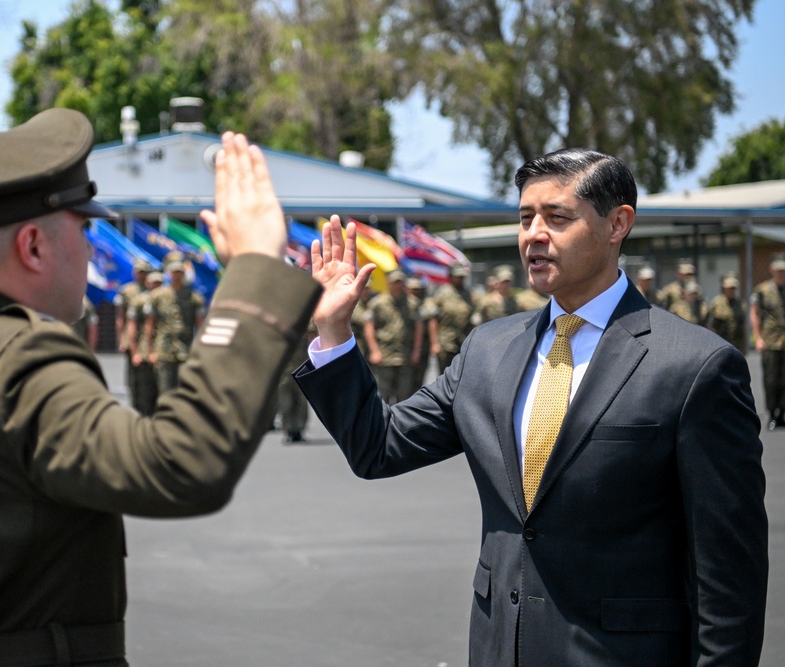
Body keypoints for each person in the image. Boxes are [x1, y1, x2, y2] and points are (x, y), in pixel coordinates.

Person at [0, 110, 322, 665]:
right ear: (33, 247)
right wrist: (253, 270)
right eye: (84, 230)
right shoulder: (23, 358)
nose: (91, 252)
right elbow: (183, 464)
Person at [295, 148, 767, 665]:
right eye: (525, 218)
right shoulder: (487, 350)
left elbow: (727, 576)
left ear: (618, 225)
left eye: (557, 217)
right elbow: (376, 447)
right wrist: (334, 331)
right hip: (502, 648)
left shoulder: (694, 365)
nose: (533, 234)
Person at [143, 259, 207, 396]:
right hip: (164, 350)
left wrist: (200, 351)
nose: (177, 276)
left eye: (180, 272)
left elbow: (200, 325)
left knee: (186, 391)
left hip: (186, 349)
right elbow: (150, 324)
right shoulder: (157, 296)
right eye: (174, 272)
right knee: (165, 390)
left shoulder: (194, 297)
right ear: (169, 274)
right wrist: (150, 350)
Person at [362, 270, 422, 404]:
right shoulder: (378, 303)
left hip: (405, 356)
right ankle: (383, 424)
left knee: (404, 395)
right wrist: (374, 351)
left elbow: (418, 327)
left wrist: (416, 351)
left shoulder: (412, 303)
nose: (397, 285)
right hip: (385, 356)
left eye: (400, 282)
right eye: (395, 282)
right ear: (388, 283)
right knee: (383, 394)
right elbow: (369, 327)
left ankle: (400, 424)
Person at [750, 256, 785, 430]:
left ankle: (782, 413)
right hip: (770, 341)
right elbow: (755, 313)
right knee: (771, 380)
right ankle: (772, 414)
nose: (781, 273)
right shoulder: (762, 290)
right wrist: (758, 337)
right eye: (778, 270)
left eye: (783, 270)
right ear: (771, 270)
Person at [124, 271, 163, 415]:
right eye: (154, 283)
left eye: (159, 283)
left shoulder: (166, 299)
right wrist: (134, 351)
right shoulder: (140, 300)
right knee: (143, 391)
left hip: (163, 351)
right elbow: (132, 327)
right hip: (144, 350)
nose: (156, 286)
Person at [427, 263, 474, 373]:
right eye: (457, 276)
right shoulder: (442, 293)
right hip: (446, 342)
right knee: (445, 375)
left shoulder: (469, 294)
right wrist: (435, 343)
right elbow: (433, 320)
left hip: (464, 342)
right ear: (450, 276)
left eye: (462, 276)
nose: (460, 279)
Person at [707, 272, 747, 354]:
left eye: (733, 288)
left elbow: (743, 326)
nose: (731, 291)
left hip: (736, 344)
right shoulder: (716, 304)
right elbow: (709, 325)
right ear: (724, 288)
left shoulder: (741, 304)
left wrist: (744, 346)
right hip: (720, 344)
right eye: (729, 288)